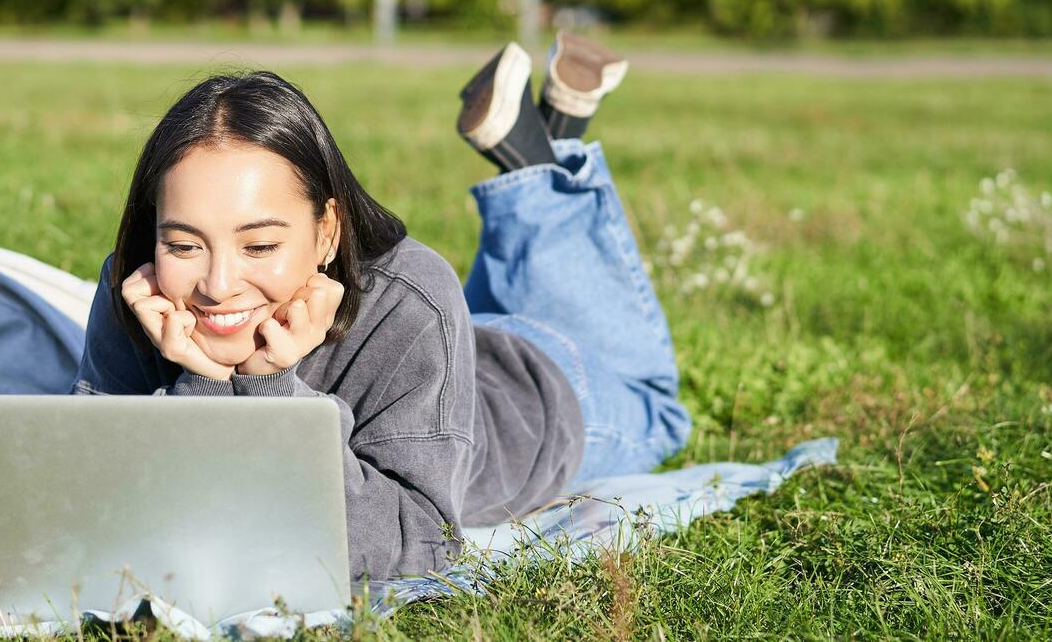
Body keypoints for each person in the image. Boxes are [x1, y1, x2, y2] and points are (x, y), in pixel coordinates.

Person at [72, 33, 693, 582]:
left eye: (258, 243)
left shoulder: (412, 298)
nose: (216, 285)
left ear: (326, 232)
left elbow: (418, 541)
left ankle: (542, 159)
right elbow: (91, 500)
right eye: (183, 243)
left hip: (545, 391)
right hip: (449, 349)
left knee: (663, 413)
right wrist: (204, 385)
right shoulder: (141, 284)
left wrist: (265, 390)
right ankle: (546, 137)